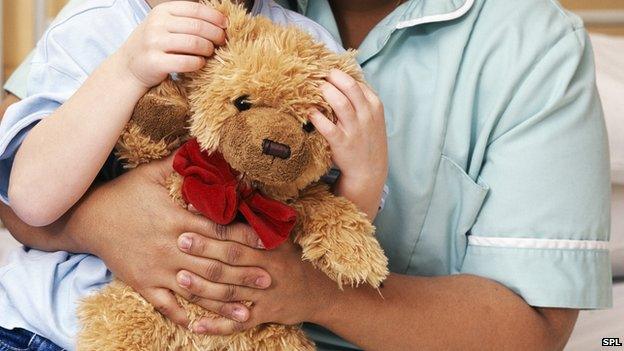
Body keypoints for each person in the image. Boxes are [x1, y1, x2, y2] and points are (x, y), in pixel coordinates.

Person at [0, 0, 612, 350]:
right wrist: (104, 221)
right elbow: (19, 167)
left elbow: (532, 331)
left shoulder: (531, 46)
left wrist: (313, 286)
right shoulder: (130, 19)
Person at [0, 0, 387, 349]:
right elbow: (32, 200)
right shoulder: (92, 24)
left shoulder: (308, 46)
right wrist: (127, 71)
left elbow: (329, 250)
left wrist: (365, 174)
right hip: (50, 331)